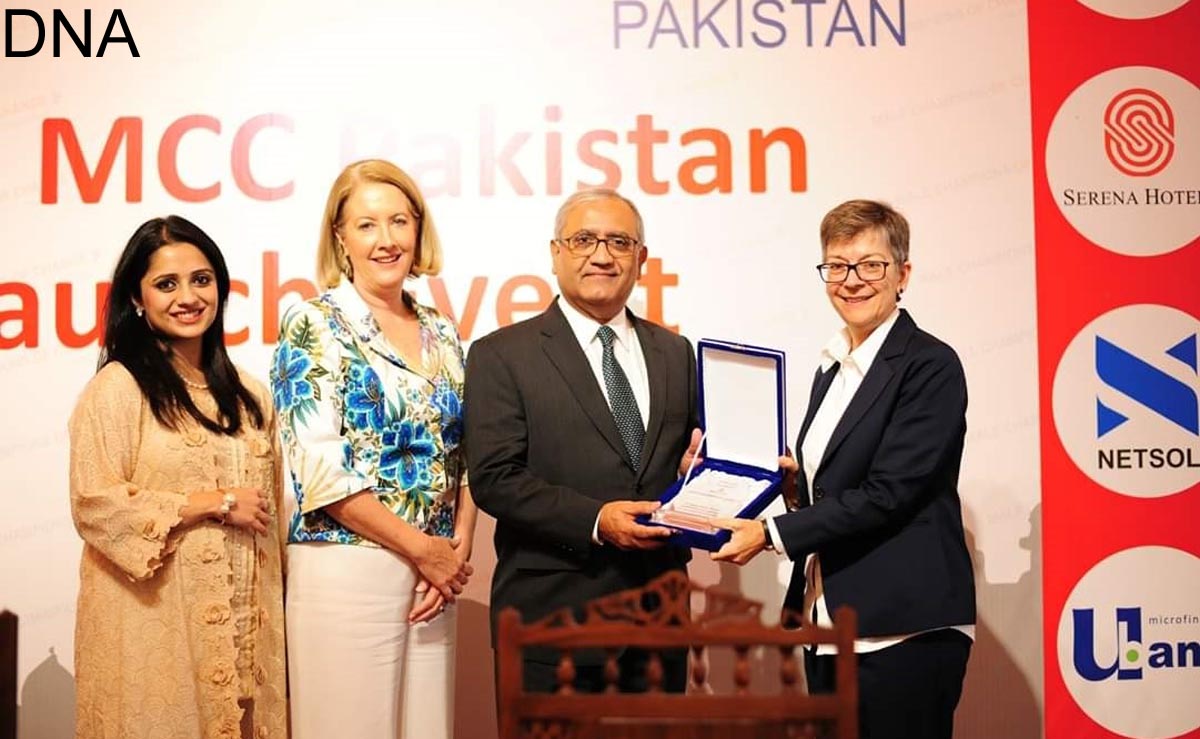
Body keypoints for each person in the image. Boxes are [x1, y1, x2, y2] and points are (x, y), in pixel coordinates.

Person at [713, 199, 976, 739]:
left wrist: (770, 533)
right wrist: (795, 489)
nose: (852, 280)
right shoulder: (833, 366)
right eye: (837, 265)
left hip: (902, 628)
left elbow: (889, 492)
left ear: (903, 275)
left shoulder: (929, 364)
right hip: (830, 621)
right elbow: (840, 485)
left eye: (870, 265)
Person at [465, 188, 701, 694]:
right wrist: (597, 520)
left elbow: (687, 459)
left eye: (619, 242)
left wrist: (696, 476)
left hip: (660, 625)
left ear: (641, 258)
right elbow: (494, 479)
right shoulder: (501, 355)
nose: (602, 255)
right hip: (552, 624)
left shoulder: (676, 352)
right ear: (556, 254)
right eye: (584, 240)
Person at [271, 159, 475, 739]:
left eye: (399, 221)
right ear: (340, 236)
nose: (386, 240)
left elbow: (466, 456)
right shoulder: (313, 323)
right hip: (347, 568)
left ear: (418, 229)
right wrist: (423, 550)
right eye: (366, 225)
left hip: (434, 581)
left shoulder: (441, 329)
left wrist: (454, 549)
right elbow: (320, 471)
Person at [68, 216, 286, 739]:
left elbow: (276, 516)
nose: (188, 297)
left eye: (201, 280)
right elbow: (93, 503)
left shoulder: (252, 397)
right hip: (155, 636)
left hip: (246, 642)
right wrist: (212, 502)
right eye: (167, 284)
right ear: (137, 298)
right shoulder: (118, 389)